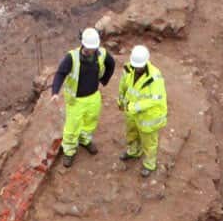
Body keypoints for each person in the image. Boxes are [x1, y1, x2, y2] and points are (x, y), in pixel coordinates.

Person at [51, 27, 116, 167]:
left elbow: (111, 64)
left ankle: (85, 140)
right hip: (76, 100)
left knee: (90, 121)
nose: (91, 51)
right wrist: (55, 92)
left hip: (93, 97)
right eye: (88, 48)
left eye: (93, 48)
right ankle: (69, 151)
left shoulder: (102, 54)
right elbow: (60, 73)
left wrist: (104, 80)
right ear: (82, 44)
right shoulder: (71, 58)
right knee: (72, 127)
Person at [117, 45, 168, 178]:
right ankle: (133, 151)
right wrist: (121, 101)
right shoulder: (129, 69)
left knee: (149, 142)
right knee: (131, 133)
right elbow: (123, 85)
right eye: (135, 65)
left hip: (148, 117)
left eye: (139, 66)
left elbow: (155, 100)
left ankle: (149, 164)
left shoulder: (155, 78)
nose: (137, 68)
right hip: (131, 112)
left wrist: (134, 107)